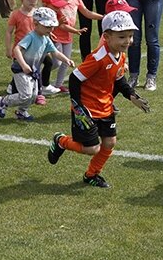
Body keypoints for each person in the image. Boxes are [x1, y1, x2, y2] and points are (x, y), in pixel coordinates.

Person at [47, 11, 150, 188]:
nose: (128, 41)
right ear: (107, 37)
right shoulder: (97, 58)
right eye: (122, 37)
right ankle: (61, 141)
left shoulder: (120, 55)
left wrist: (132, 96)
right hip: (87, 109)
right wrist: (78, 107)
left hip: (105, 107)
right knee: (91, 149)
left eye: (130, 36)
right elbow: (75, 78)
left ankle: (91, 175)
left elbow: (119, 79)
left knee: (110, 142)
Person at [0, 7, 75, 121]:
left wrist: (66, 60)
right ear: (36, 24)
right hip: (21, 69)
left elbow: (55, 52)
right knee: (26, 95)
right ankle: (3, 101)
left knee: (34, 95)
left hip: (33, 71)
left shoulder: (46, 39)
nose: (51, 29)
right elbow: (17, 49)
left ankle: (21, 111)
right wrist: (24, 65)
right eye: (47, 26)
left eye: (52, 26)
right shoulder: (31, 37)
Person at [51, 0, 103, 92]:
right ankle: (40, 76)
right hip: (55, 36)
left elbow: (87, 13)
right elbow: (55, 22)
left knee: (66, 61)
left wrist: (103, 17)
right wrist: (75, 30)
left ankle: (58, 85)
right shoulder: (56, 0)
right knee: (57, 62)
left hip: (68, 37)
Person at [5, 0, 51, 105]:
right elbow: (9, 32)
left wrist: (49, 34)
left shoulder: (39, 14)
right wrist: (8, 49)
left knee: (40, 67)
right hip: (21, 50)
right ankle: (16, 89)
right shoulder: (16, 14)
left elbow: (44, 27)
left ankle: (39, 92)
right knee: (20, 69)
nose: (32, 1)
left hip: (36, 49)